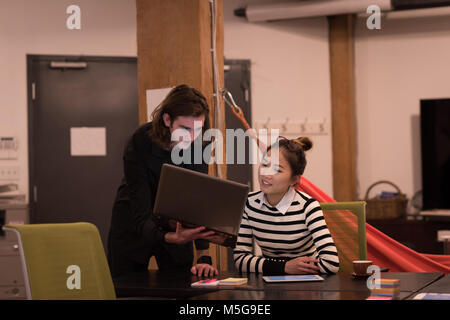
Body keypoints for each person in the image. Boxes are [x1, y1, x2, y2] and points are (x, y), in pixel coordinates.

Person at [107, 84, 218, 278]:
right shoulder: (140, 140)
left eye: (197, 130)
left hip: (175, 224)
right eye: (184, 128)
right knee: (126, 288)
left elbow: (197, 201)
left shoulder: (199, 144)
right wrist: (170, 237)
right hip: (133, 223)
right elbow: (140, 211)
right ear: (167, 119)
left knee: (180, 286)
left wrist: (203, 257)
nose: (190, 138)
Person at [233, 137, 340, 275]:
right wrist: (284, 267)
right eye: (265, 164)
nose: (266, 174)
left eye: (277, 170)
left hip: (308, 287)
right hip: (270, 285)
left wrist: (299, 269)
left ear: (294, 179)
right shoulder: (249, 203)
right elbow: (240, 259)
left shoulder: (308, 207)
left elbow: (331, 263)